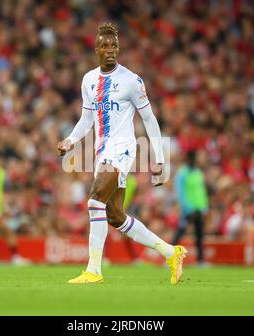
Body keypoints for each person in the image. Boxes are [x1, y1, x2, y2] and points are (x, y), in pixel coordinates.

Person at [58, 23, 187, 284]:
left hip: (123, 149)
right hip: (101, 151)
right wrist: (70, 140)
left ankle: (93, 270)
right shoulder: (89, 80)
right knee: (115, 216)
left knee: (95, 201)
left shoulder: (131, 81)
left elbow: (149, 120)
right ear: (96, 49)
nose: (110, 50)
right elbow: (86, 120)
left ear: (118, 48)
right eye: (104, 45)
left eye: (114, 45)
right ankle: (171, 252)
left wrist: (160, 158)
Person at [172, 150, 208, 264]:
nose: (194, 161)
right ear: (187, 159)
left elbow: (201, 191)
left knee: (199, 235)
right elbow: (180, 193)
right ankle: (171, 257)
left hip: (199, 209)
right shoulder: (182, 173)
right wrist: (188, 208)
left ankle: (200, 260)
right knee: (180, 233)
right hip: (188, 210)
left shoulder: (198, 172)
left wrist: (204, 207)